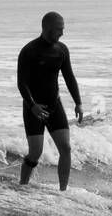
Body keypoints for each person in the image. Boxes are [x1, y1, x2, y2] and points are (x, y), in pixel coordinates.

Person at [17, 12, 83, 191]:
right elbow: (21, 83)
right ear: (46, 28)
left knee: (66, 148)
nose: (62, 33)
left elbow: (69, 77)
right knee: (35, 153)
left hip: (54, 105)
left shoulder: (61, 50)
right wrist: (32, 106)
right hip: (34, 108)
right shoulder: (29, 51)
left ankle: (63, 191)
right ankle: (22, 187)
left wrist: (78, 102)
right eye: (59, 30)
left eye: (63, 29)